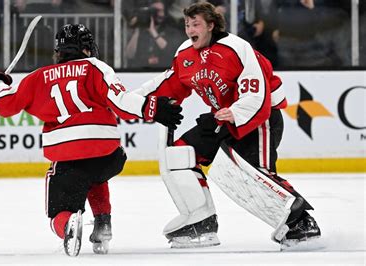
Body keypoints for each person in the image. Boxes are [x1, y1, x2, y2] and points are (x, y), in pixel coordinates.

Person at [0, 24, 183, 256]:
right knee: (94, 173)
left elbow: (6, 106)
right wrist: (151, 108)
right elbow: (121, 100)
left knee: (58, 212)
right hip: (109, 156)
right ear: (87, 49)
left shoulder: (38, 77)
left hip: (68, 159)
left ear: (58, 52)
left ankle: (68, 224)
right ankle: (103, 223)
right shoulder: (96, 67)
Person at [134, 2, 321, 248]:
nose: (190, 29)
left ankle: (302, 223)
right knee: (179, 155)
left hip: (260, 118)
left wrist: (231, 113)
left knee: (253, 173)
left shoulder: (236, 48)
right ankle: (201, 221)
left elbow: (258, 95)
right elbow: (167, 83)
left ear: (211, 25)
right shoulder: (185, 54)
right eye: (187, 24)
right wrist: (130, 101)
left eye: (196, 24)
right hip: (221, 119)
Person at [125, 0, 185, 68]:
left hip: (163, 71)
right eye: (155, 11)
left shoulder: (171, 30)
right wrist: (137, 31)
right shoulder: (142, 31)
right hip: (141, 71)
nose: (158, 14)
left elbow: (171, 51)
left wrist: (153, 31)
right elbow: (129, 54)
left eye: (160, 11)